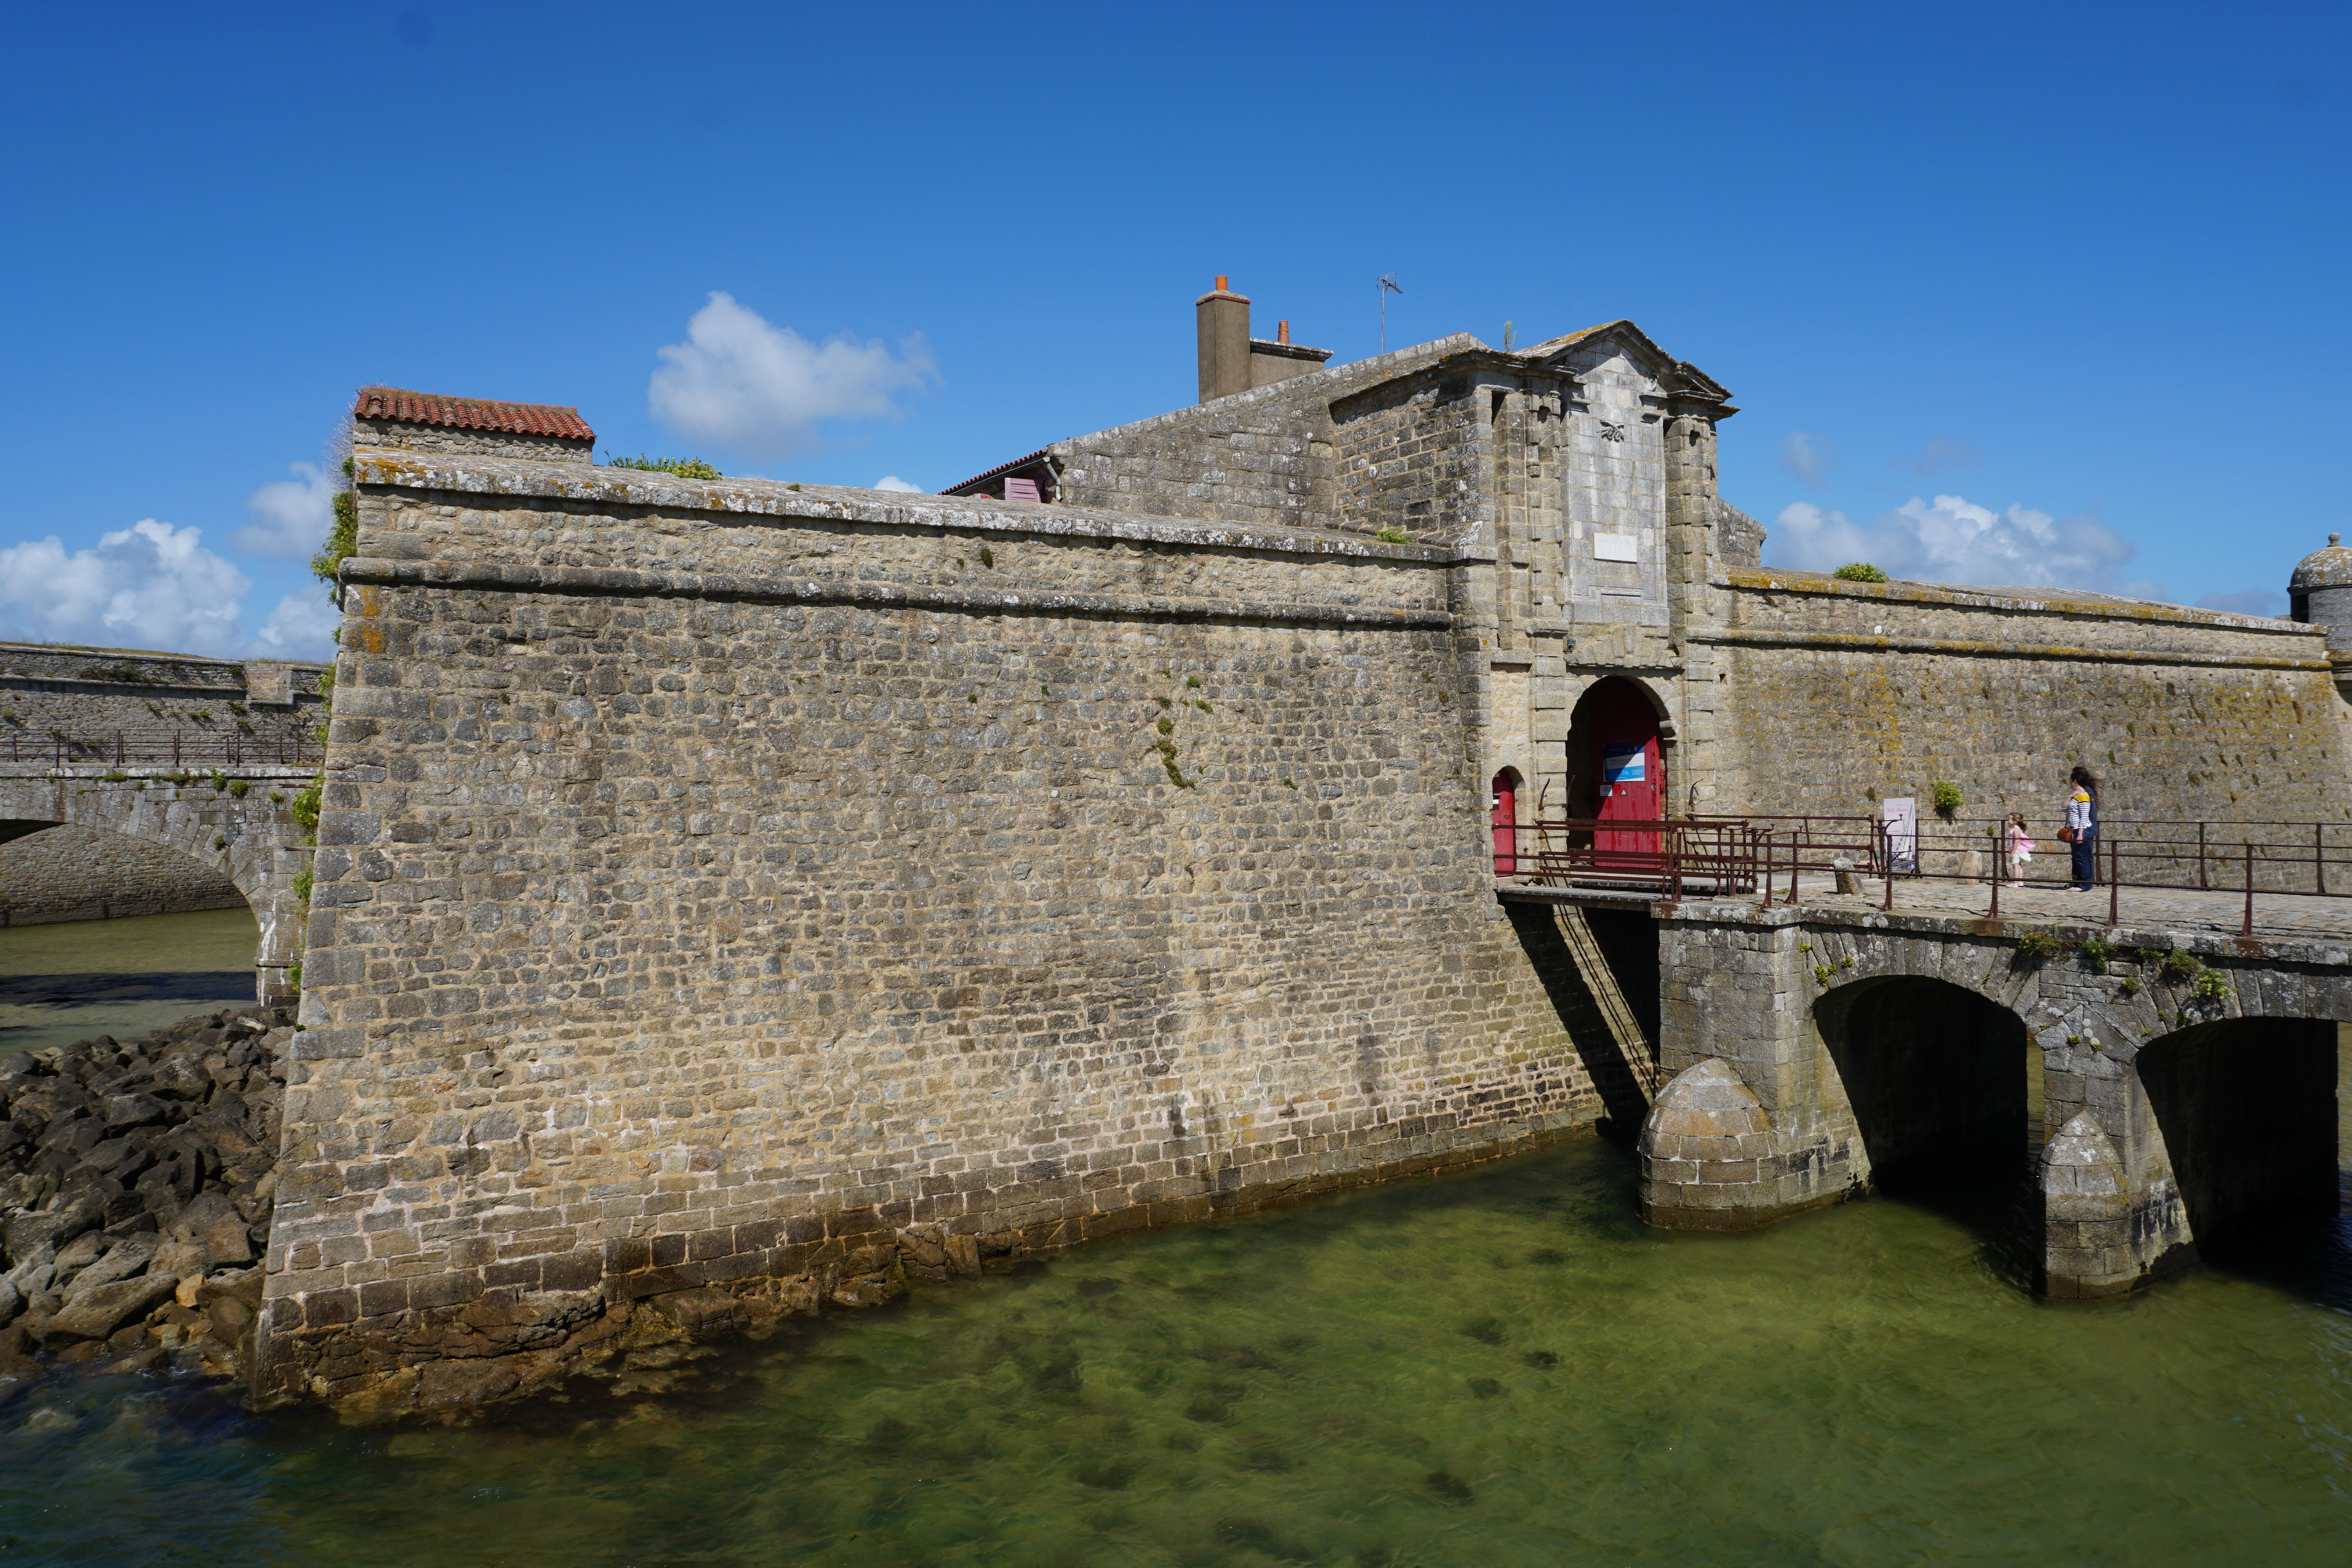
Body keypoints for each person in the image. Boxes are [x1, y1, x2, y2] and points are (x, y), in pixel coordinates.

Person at [2062, 767, 2099, 891]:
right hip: (2074, 829)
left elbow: (2084, 817)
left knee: (2082, 858)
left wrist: (2080, 835)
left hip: (2081, 830)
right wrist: (2071, 795)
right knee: (2078, 857)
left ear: (2075, 781)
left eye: (2071, 780)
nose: (2070, 782)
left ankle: (2085, 885)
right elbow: (2062, 808)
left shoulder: (2083, 796)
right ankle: (2079, 883)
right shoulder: (2076, 795)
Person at [2003, 813, 2034, 887]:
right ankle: (2020, 882)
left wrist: (2012, 853)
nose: (2008, 821)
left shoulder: (2015, 830)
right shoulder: (2017, 830)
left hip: (2016, 851)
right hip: (2018, 850)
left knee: (2016, 867)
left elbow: (2016, 842)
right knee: (2019, 866)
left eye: (2009, 819)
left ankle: (2015, 883)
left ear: (2015, 821)